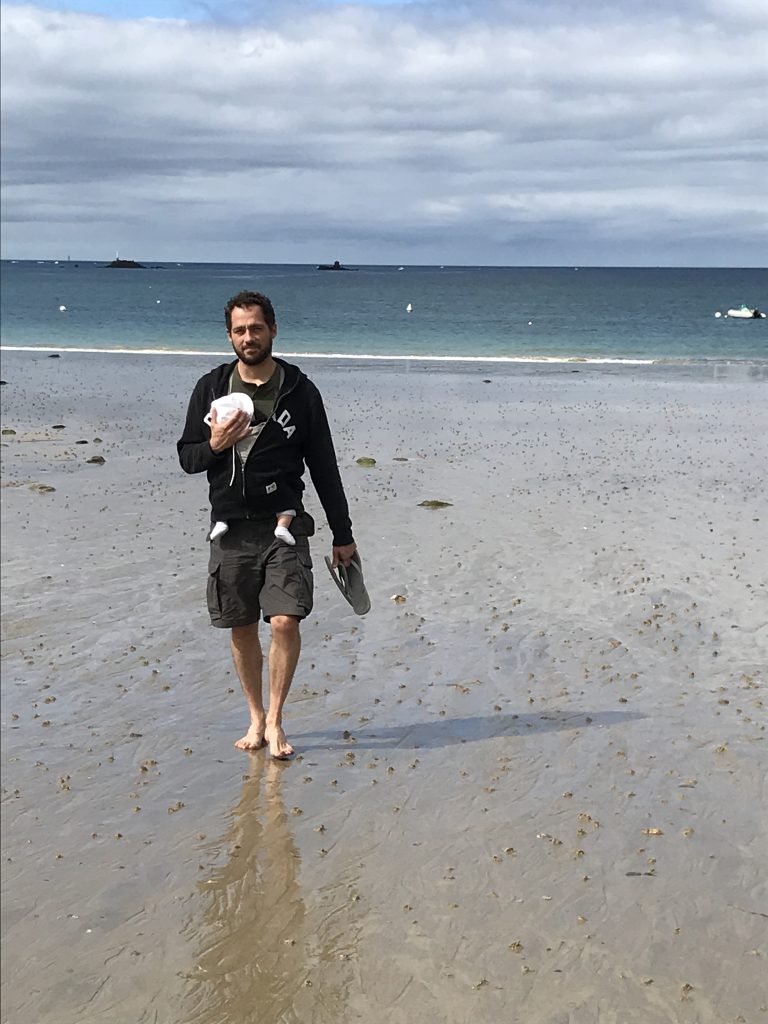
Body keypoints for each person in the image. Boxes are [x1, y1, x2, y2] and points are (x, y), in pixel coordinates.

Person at [177, 290, 356, 759]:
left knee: (283, 621)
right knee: (240, 627)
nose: (248, 337)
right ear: (229, 336)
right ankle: (255, 717)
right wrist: (215, 443)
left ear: (273, 329)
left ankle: (276, 720)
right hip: (230, 528)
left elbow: (324, 465)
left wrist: (343, 534)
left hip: (286, 525)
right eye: (239, 330)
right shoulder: (211, 386)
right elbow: (187, 457)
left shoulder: (300, 390)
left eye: (256, 327)